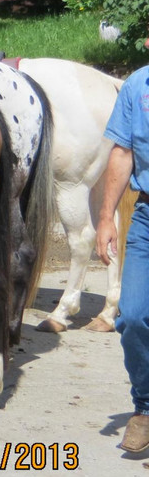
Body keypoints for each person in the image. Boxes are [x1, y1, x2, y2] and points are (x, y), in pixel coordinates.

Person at [97, 62, 149, 453]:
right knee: (132, 316)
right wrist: (106, 218)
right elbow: (123, 151)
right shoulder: (137, 84)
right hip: (147, 217)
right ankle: (145, 407)